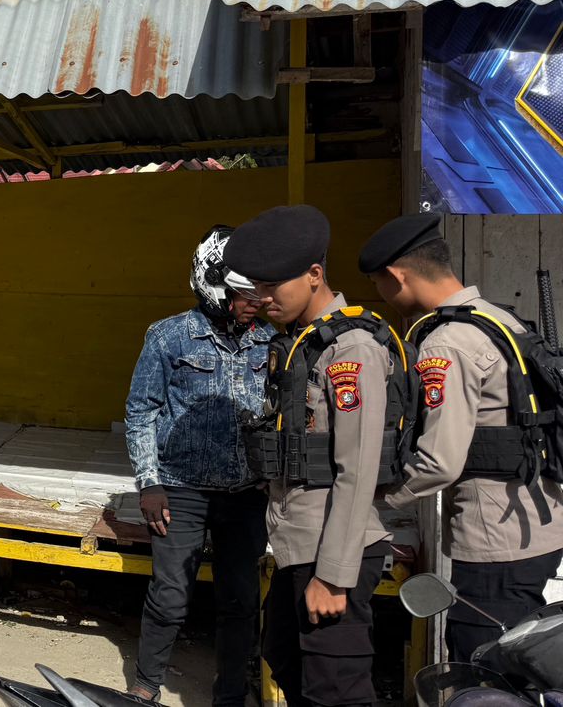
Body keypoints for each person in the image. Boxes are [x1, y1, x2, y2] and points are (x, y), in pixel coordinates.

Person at [362, 213, 563, 661]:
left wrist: (371, 498)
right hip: (540, 523)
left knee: (484, 667)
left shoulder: (447, 342)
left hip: (493, 541)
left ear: (397, 276)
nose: (381, 294)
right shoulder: (500, 318)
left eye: (378, 283)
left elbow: (439, 463)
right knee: (521, 663)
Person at [225, 205, 399, 707]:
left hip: (332, 551)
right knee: (284, 657)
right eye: (256, 286)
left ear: (315, 275)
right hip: (298, 540)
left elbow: (356, 470)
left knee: (335, 691)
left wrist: (333, 576)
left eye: (271, 286)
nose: (261, 298)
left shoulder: (352, 350)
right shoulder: (303, 345)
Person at [123, 226, 273, 705]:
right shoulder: (168, 336)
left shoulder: (271, 339)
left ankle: (230, 693)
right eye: (244, 294)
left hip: (247, 493)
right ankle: (146, 685)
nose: (254, 303)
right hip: (179, 489)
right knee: (170, 596)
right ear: (213, 286)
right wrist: (149, 483)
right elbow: (141, 410)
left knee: (241, 600)